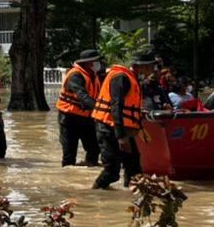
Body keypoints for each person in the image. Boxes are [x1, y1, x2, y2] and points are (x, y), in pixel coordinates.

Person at [91, 50, 157, 190]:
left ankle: (131, 197)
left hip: (123, 128)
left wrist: (137, 114)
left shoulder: (132, 78)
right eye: (152, 67)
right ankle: (93, 194)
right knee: (112, 172)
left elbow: (126, 105)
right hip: (109, 128)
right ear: (142, 66)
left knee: (134, 168)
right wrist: (121, 136)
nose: (153, 71)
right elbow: (116, 106)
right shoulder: (121, 78)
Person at [56, 49, 102, 167]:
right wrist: (100, 109)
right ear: (88, 63)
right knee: (69, 153)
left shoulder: (94, 75)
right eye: (96, 61)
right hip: (69, 118)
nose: (98, 64)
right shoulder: (75, 75)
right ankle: (68, 174)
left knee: (94, 149)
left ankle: (89, 170)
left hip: (87, 117)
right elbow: (82, 96)